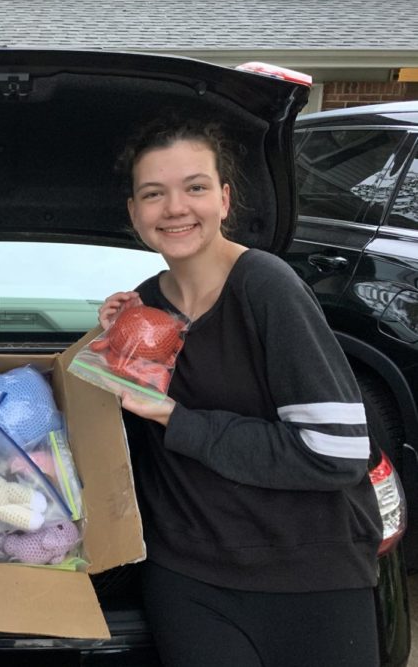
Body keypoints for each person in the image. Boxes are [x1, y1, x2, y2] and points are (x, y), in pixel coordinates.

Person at [98, 115, 382, 667]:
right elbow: (126, 442)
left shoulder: (267, 286)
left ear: (224, 199)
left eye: (195, 187)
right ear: (135, 213)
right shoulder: (144, 307)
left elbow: (336, 450)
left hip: (308, 577)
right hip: (188, 580)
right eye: (154, 194)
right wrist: (110, 349)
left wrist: (178, 419)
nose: (175, 208)